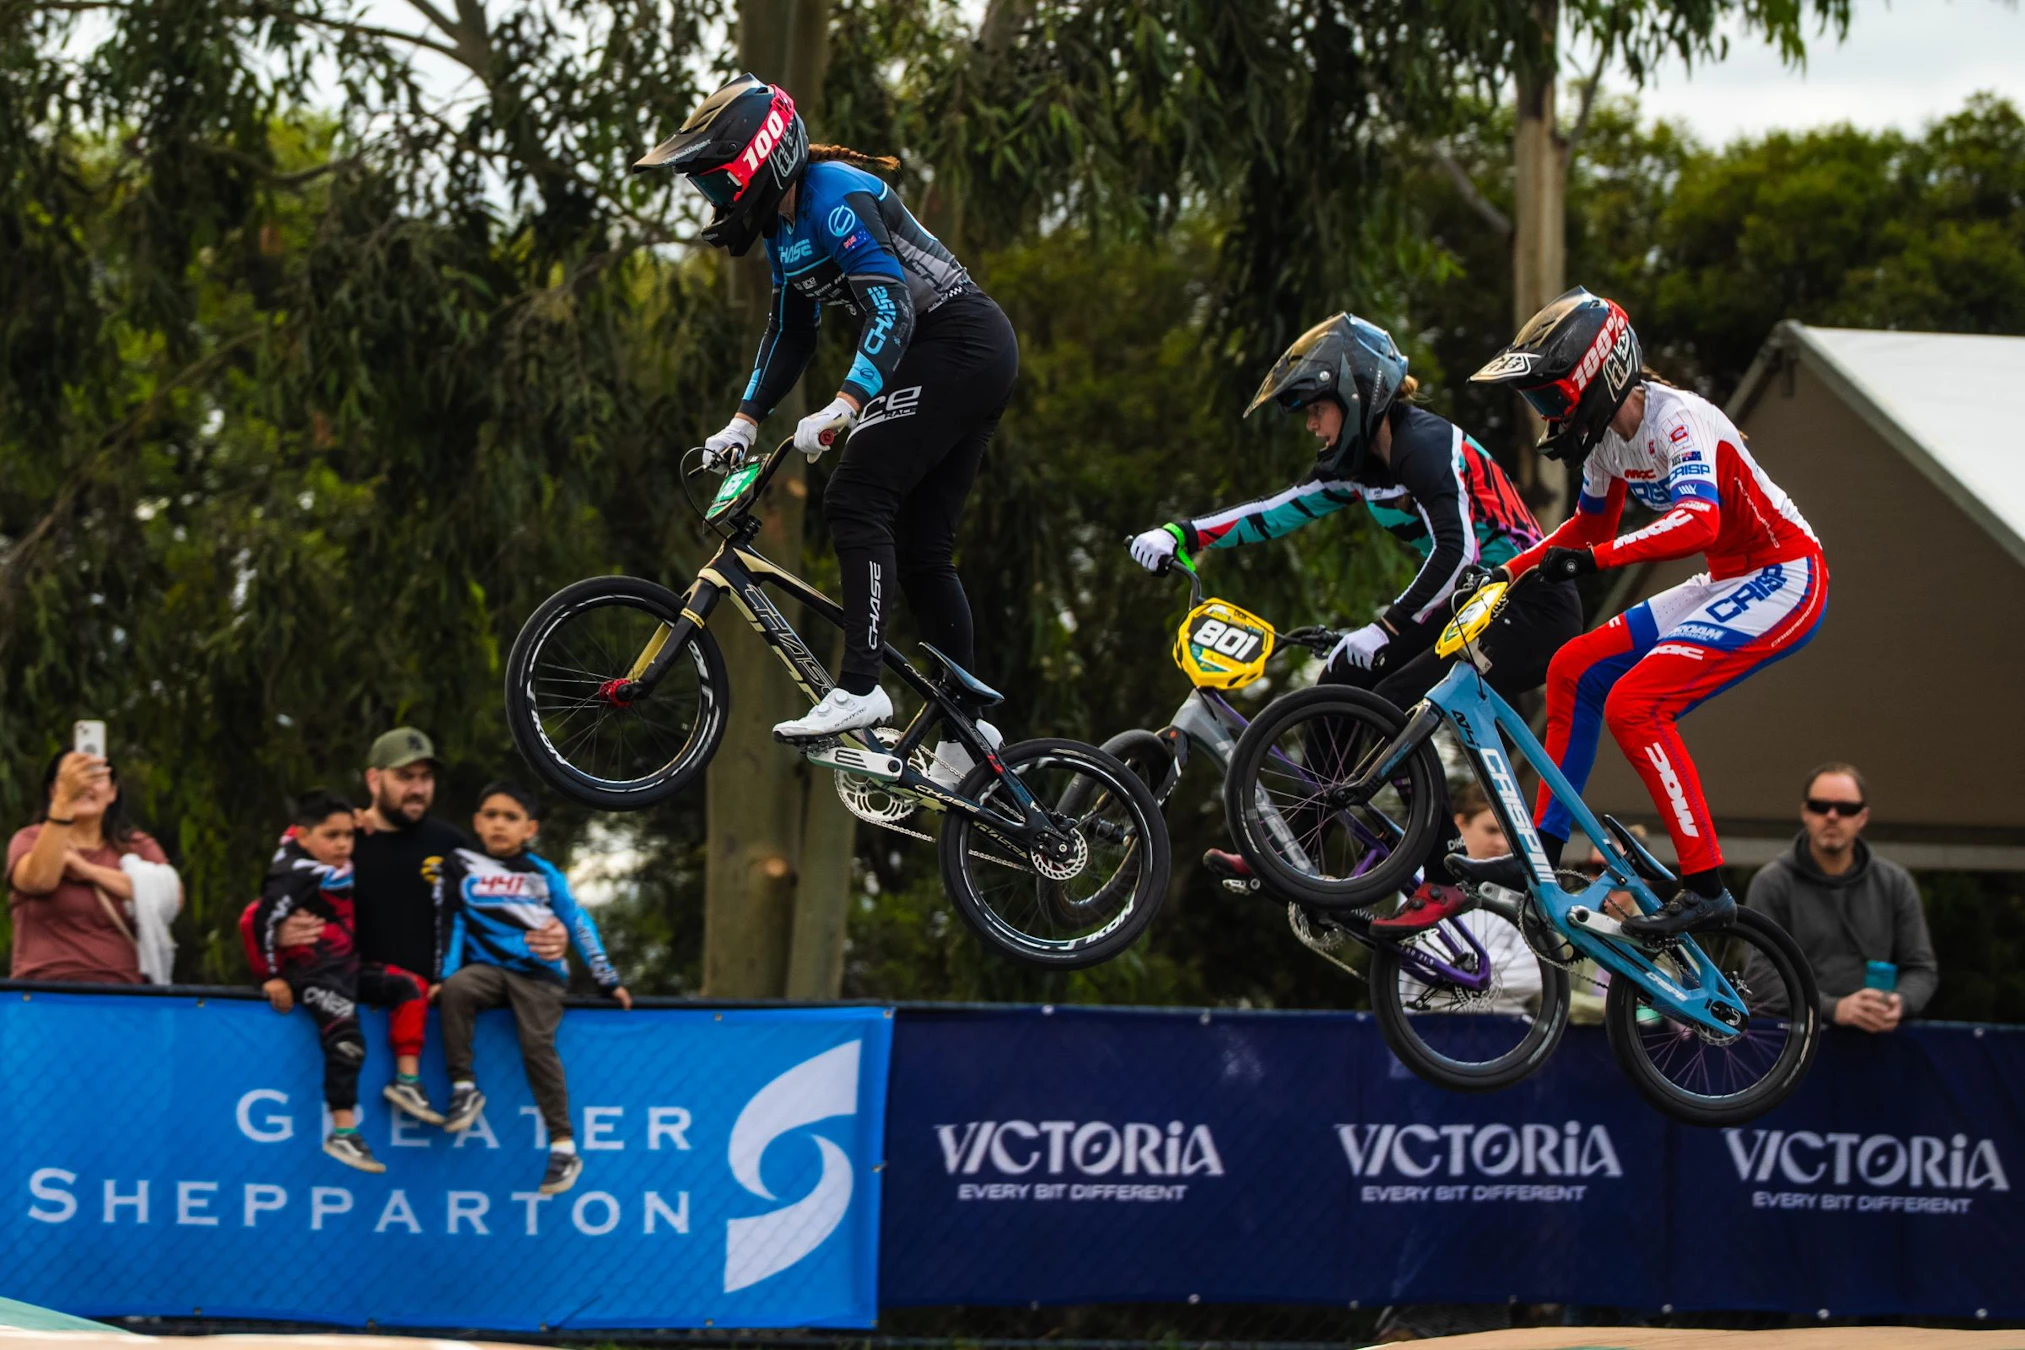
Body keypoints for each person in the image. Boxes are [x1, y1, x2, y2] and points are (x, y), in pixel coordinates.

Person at [1128, 312, 1582, 925]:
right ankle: (1299, 849)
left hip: (1530, 608)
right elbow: (1273, 512)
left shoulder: (1426, 446)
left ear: (1356, 393)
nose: (1310, 424)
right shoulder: (1358, 467)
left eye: (1316, 407)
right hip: (1473, 603)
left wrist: (1389, 626)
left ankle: (1445, 872)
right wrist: (1182, 534)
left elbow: (1459, 555)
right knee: (1343, 677)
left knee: (1395, 695)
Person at [635, 74, 1019, 782]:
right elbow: (789, 334)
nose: (713, 200)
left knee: (855, 498)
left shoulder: (834, 197)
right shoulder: (785, 228)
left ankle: (861, 688)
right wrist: (743, 422)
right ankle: (969, 729)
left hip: (956, 342)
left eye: (717, 182)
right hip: (966, 352)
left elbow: (894, 312)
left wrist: (846, 404)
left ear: (761, 159)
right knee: (923, 546)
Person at [1458, 287, 1828, 938]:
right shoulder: (1605, 443)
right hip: (1729, 578)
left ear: (1599, 376)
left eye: (1551, 397)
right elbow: (1587, 524)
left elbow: (1697, 521)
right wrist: (1507, 571)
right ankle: (1539, 856)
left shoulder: (1676, 417)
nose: (1546, 414)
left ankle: (1706, 887)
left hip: (1785, 574)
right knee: (1572, 667)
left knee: (1636, 705)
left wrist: (1594, 561)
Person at [433, 782, 632, 1197]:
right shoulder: (461, 863)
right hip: (487, 970)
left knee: (536, 1045)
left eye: (510, 817)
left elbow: (577, 922)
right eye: (490, 815)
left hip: (539, 976)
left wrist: (608, 980)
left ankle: (563, 1146)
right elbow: (449, 923)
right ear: (477, 822)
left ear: (530, 829)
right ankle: (464, 1088)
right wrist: (442, 977)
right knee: (456, 990)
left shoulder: (542, 873)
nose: (499, 824)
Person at [243, 790, 439, 1174]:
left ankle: (407, 1080)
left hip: (348, 968)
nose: (343, 844)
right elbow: (254, 921)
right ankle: (344, 1131)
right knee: (347, 1043)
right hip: (314, 975)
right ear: (305, 837)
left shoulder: (316, 852)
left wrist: (352, 815)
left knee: (409, 986)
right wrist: (271, 977)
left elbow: (300, 828)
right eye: (331, 836)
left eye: (347, 835)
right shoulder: (294, 874)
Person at [272, 729, 572, 969]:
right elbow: (281, 885)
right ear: (374, 779)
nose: (417, 789)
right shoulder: (342, 841)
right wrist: (278, 931)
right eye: (405, 777)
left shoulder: (455, 846)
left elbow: (515, 902)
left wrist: (553, 933)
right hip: (353, 1007)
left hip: (441, 1012)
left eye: (425, 777)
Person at [1745, 763, 1936, 1031]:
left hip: (1878, 1042)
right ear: (1805, 813)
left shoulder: (1895, 883)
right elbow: (1759, 976)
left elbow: (1921, 969)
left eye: (1846, 809)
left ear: (1863, 817)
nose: (1832, 816)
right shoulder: (1772, 882)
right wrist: (1834, 1009)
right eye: (1820, 806)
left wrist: (1899, 1002)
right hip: (1795, 1046)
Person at [8, 749, 178, 984]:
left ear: (112, 792)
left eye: (95, 778)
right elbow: (39, 881)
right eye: (72, 779)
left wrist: (87, 870)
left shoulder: (137, 845)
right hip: (44, 999)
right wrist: (64, 805)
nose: (84, 786)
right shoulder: (30, 840)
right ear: (53, 791)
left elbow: (171, 898)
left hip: (126, 1001)